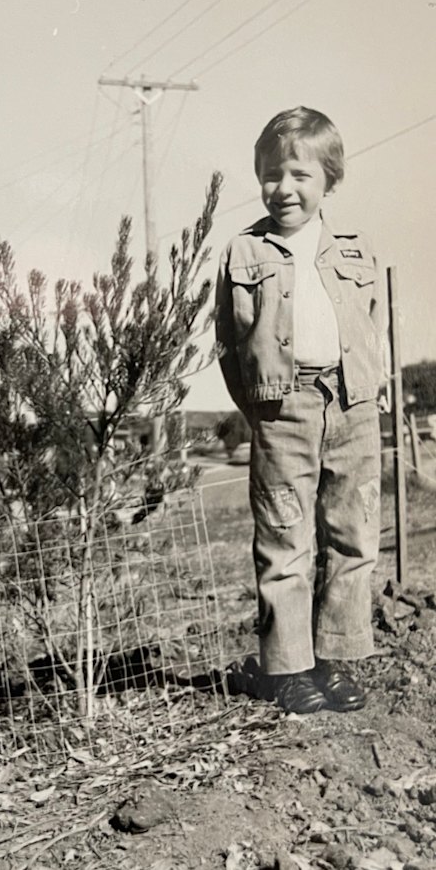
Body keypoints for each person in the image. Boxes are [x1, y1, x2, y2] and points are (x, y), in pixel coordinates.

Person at [215, 106, 388, 714]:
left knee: (353, 535)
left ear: (329, 180)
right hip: (281, 410)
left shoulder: (355, 247)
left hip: (354, 407)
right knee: (285, 537)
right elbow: (229, 345)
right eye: (270, 175)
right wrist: (265, 406)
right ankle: (288, 669)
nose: (283, 188)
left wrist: (367, 386)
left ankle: (337, 660)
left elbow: (374, 326)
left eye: (299, 175)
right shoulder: (244, 251)